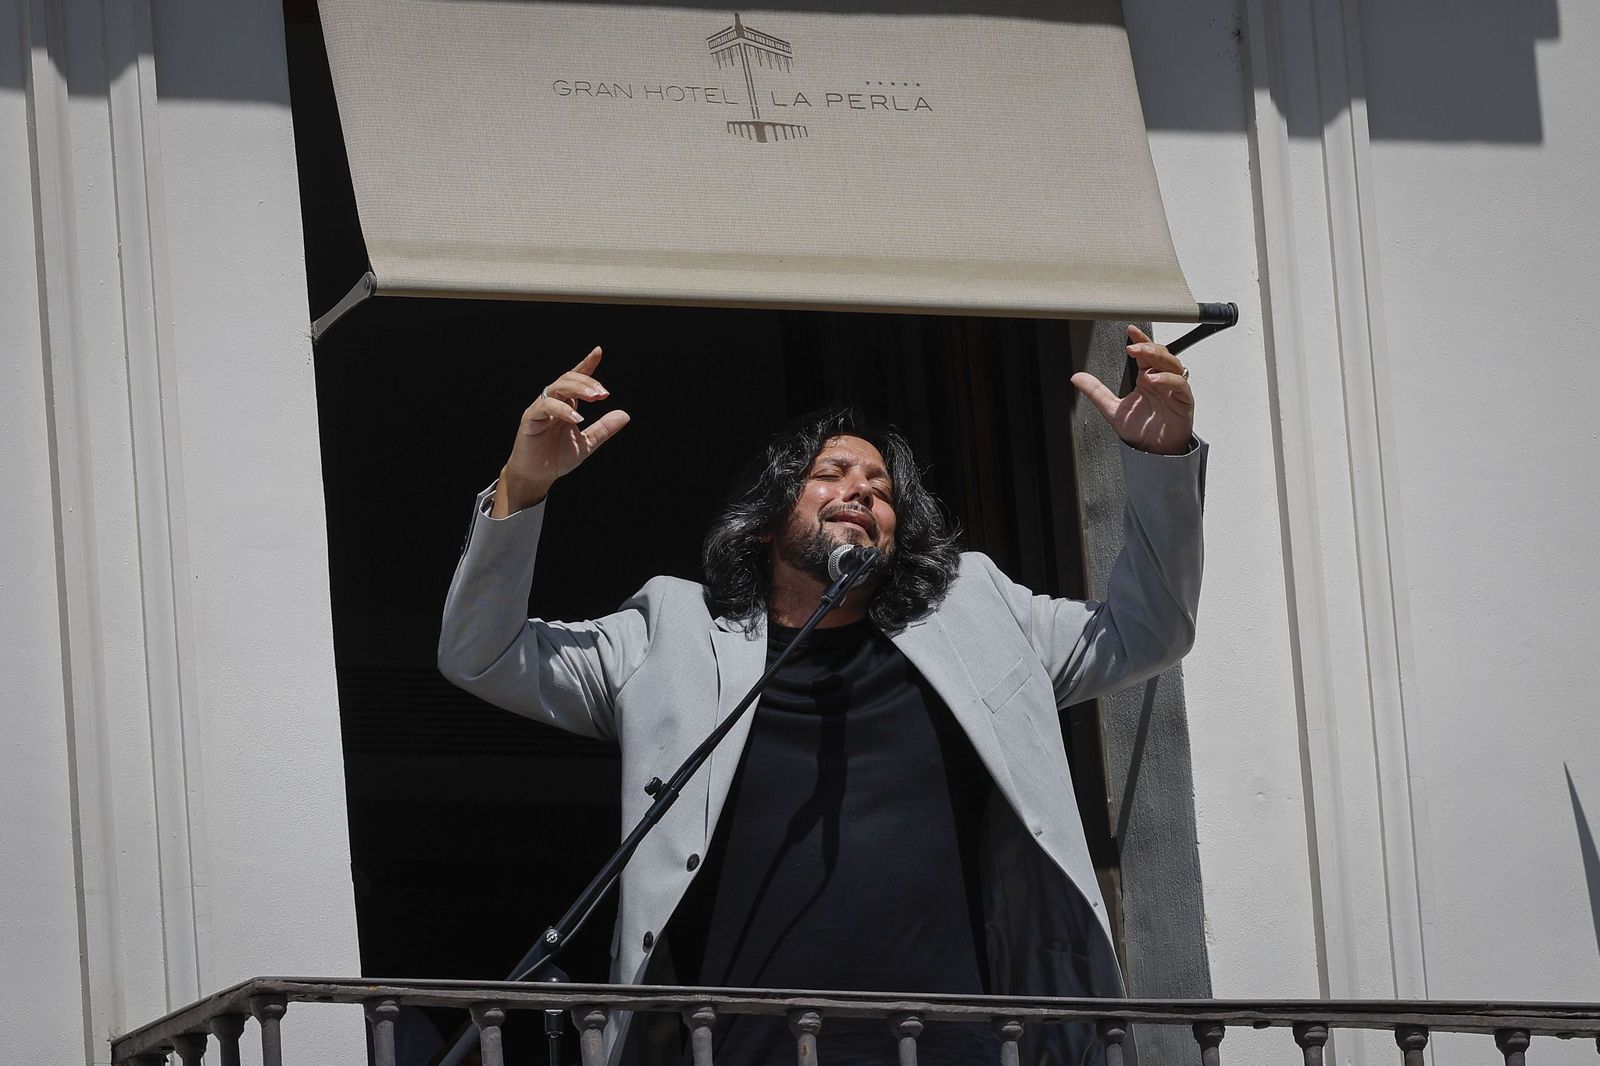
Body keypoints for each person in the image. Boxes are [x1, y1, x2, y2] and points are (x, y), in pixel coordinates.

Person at [438, 329, 1205, 1066]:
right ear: (770, 517)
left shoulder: (980, 610)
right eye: (832, 474)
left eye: (880, 489)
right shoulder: (669, 631)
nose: (862, 494)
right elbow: (485, 656)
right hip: (745, 1049)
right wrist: (524, 485)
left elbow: (1147, 632)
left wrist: (1159, 457)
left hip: (954, 1047)